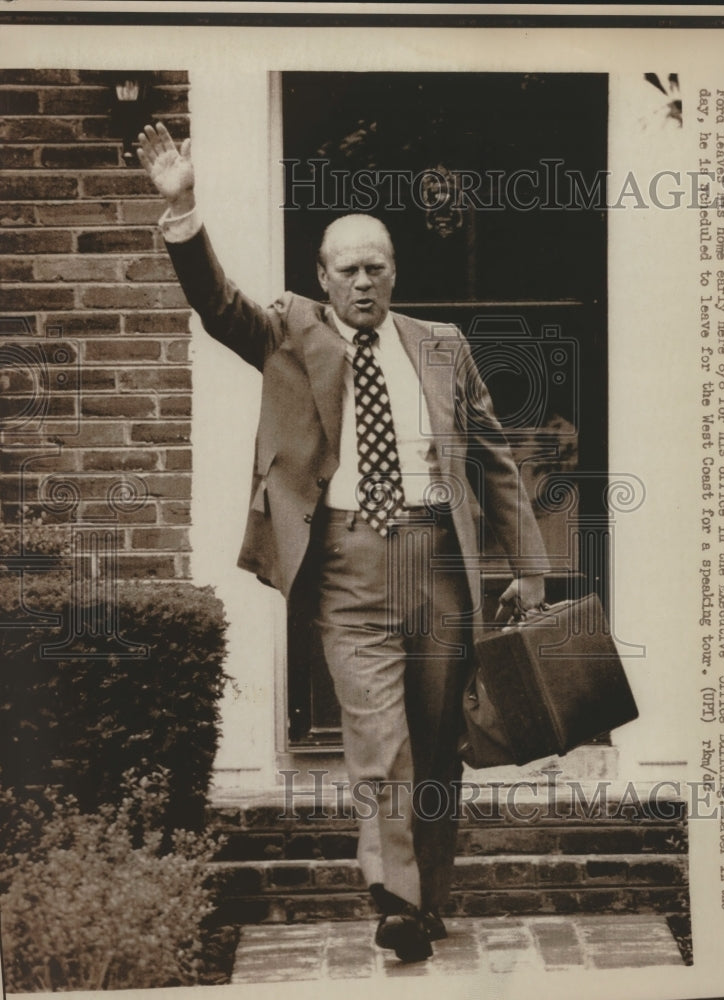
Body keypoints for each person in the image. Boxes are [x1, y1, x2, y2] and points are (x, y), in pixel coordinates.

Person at [137, 122, 550, 963]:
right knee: (381, 741)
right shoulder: (289, 331)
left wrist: (531, 571)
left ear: (394, 272)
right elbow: (219, 305)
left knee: (436, 748)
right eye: (348, 269)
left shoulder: (441, 346)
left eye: (377, 267)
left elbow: (498, 460)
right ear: (321, 277)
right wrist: (183, 211)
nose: (364, 282)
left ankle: (430, 896)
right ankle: (394, 899)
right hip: (350, 569)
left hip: (437, 562)